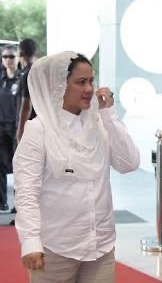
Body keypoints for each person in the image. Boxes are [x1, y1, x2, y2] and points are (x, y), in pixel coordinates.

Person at [14, 51, 140, 282]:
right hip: (55, 249)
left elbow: (129, 163)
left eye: (91, 81)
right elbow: (26, 192)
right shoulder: (38, 131)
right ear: (59, 85)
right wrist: (30, 241)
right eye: (81, 82)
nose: (89, 89)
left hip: (100, 247)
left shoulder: (100, 125)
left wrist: (109, 116)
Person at [0, 44, 20, 211]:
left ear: (18, 57)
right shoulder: (1, 79)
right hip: (1, 127)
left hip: (17, 128)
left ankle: (19, 205)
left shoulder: (23, 79)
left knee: (19, 167)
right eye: (5, 57)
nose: (8, 60)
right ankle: (2, 202)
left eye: (11, 57)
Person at [17, 38, 38, 142]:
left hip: (29, 126)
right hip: (40, 123)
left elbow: (26, 106)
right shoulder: (40, 71)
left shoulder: (27, 74)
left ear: (20, 53)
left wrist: (20, 131)